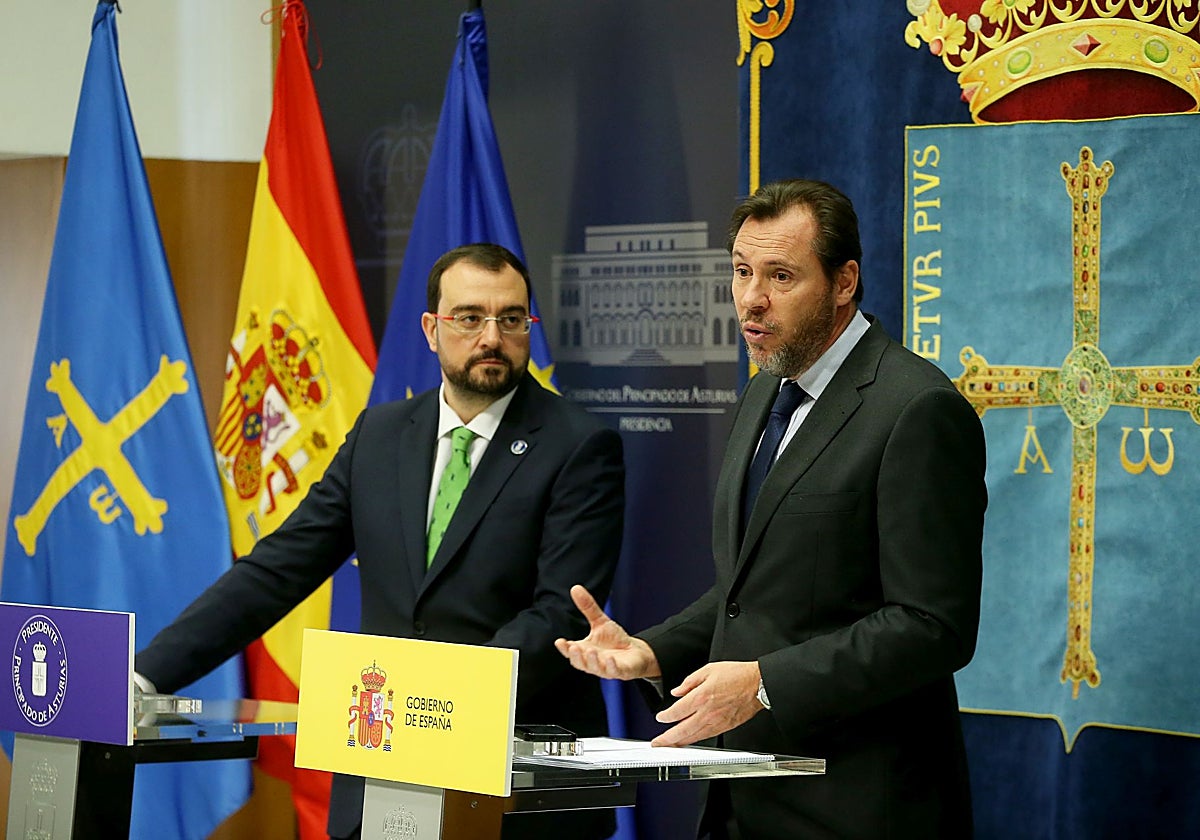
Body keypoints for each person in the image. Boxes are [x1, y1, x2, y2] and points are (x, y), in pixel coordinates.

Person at [136, 243, 625, 840]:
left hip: (515, 786)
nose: (492, 337)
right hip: (382, 767)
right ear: (431, 329)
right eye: (469, 318)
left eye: (512, 319)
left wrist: (433, 706)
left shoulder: (579, 446)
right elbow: (278, 569)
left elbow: (561, 614)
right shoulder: (380, 435)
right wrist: (148, 675)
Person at [555, 179, 987, 839]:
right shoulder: (763, 393)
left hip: (859, 807)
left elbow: (933, 625)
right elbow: (752, 591)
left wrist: (765, 684)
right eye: (741, 272)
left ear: (844, 283)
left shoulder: (916, 409)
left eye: (780, 276)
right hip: (743, 799)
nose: (751, 299)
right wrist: (651, 650)